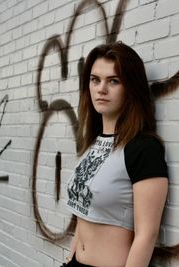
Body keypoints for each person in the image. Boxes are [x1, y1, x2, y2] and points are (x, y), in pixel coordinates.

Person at [64, 42, 169, 267]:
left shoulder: (143, 148)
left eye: (113, 81)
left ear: (130, 88)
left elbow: (146, 235)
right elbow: (85, 215)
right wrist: (70, 256)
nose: (101, 89)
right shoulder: (93, 142)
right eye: (95, 80)